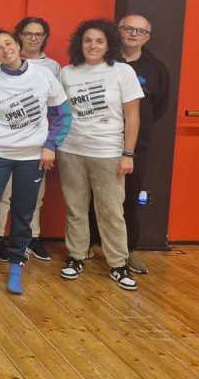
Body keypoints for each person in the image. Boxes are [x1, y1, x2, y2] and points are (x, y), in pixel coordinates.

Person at [0, 29, 71, 295]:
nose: (5, 50)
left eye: (8, 43)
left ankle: (16, 265)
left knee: (23, 213)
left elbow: (63, 114)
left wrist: (50, 145)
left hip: (32, 158)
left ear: (17, 45)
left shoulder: (43, 75)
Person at [57, 19, 143, 291]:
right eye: (87, 40)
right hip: (71, 150)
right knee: (75, 207)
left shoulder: (122, 71)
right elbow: (58, 113)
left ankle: (118, 264)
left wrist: (128, 153)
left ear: (108, 45)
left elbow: (133, 116)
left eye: (99, 41)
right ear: (79, 44)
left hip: (108, 152)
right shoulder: (67, 73)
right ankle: (76, 256)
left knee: (111, 210)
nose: (92, 45)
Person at [0, 16, 61, 262]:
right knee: (3, 195)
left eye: (38, 34)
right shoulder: (2, 63)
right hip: (6, 144)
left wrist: (50, 143)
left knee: (35, 196)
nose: (33, 38)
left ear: (44, 38)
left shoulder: (52, 67)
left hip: (37, 145)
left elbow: (57, 108)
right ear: (18, 37)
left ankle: (32, 237)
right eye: (28, 33)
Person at [115, 14, 170, 274]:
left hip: (135, 146)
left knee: (129, 197)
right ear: (118, 31)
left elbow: (159, 106)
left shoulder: (156, 68)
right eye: (128, 28)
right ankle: (90, 245)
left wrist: (137, 129)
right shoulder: (104, 61)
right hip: (100, 140)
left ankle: (128, 250)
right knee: (96, 196)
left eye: (140, 31)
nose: (133, 34)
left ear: (147, 37)